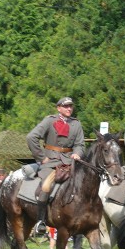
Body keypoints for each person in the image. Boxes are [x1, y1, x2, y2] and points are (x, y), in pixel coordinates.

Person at [26, 97, 85, 235]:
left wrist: (77, 153)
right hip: (51, 162)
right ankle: (41, 221)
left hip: (70, 162)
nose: (69, 108)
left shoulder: (76, 124)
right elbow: (31, 137)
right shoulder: (49, 121)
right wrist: (41, 157)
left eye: (70, 106)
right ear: (58, 108)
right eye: (65, 106)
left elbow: (80, 144)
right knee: (46, 186)